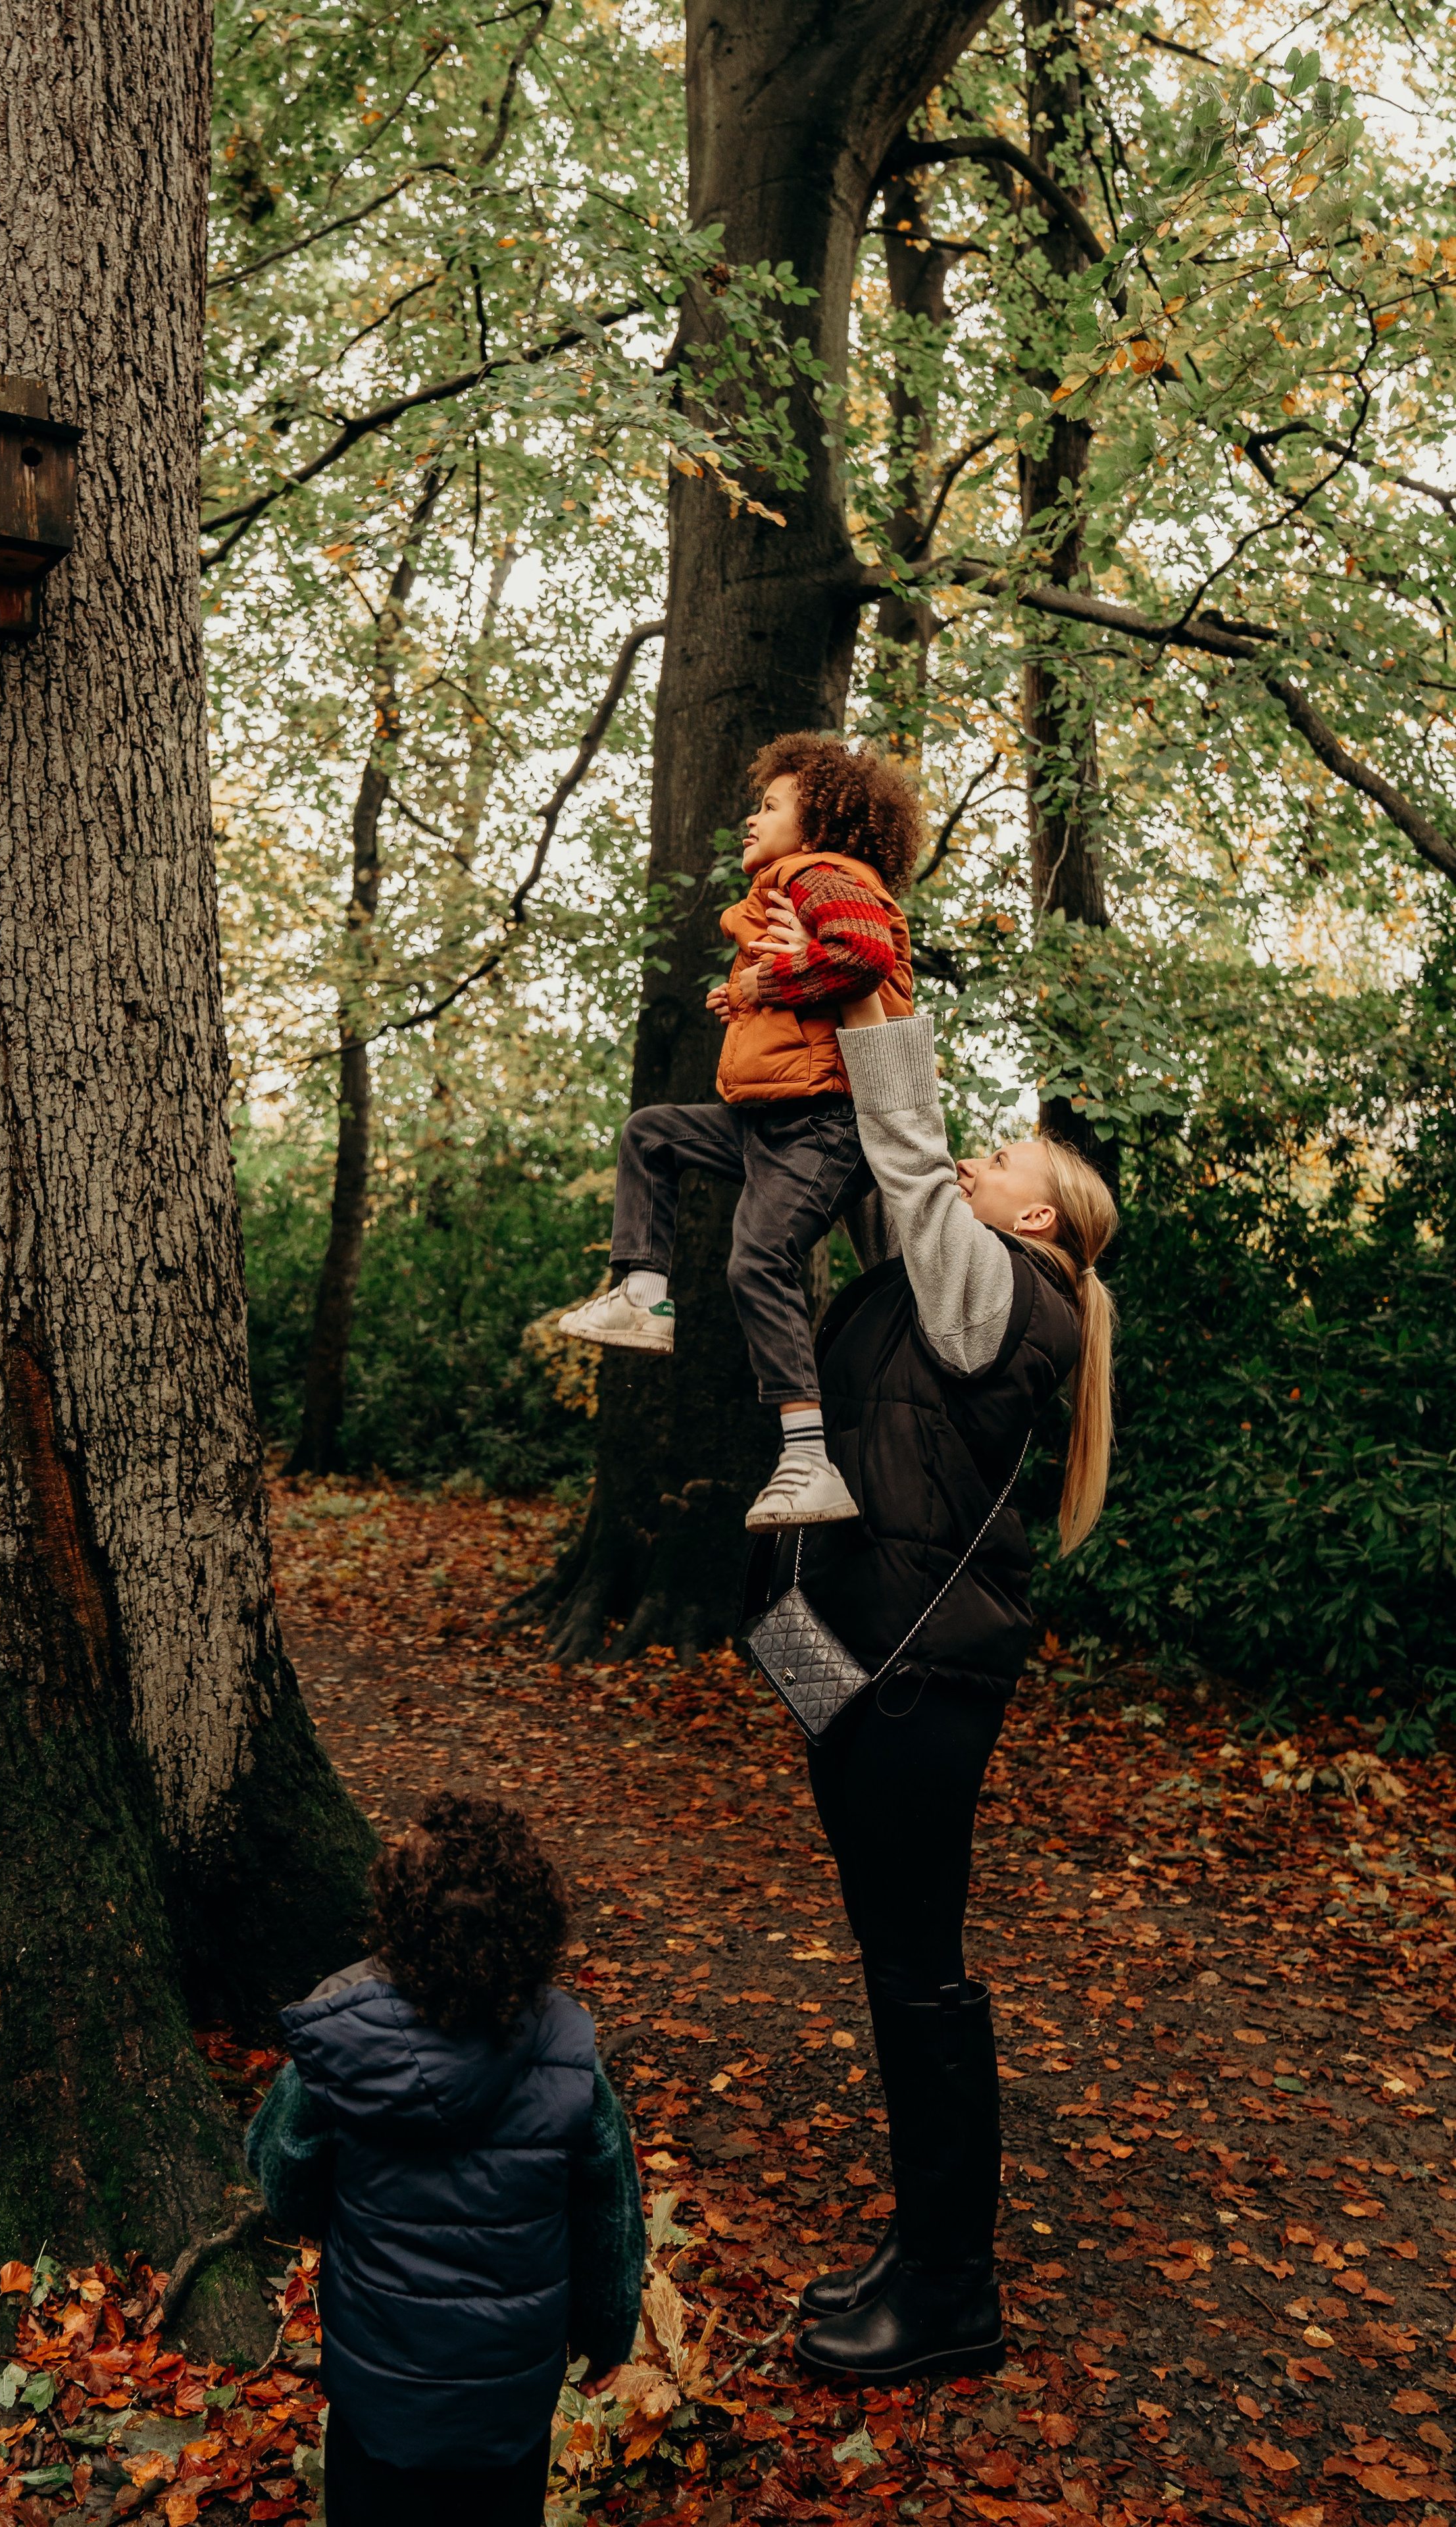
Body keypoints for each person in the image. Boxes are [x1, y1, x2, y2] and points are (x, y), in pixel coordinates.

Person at [747, 904, 1118, 2386]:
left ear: (1036, 1221)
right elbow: (869, 1182)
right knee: (896, 1959)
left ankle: (953, 2287)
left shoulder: (1007, 1299)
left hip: (915, 1679)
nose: (977, 1160)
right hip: (866, 1669)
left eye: (1002, 1160)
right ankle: (921, 2250)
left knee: (917, 1973)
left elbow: (907, 1157)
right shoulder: (939, 1291)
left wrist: (876, 990)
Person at [244, 1795, 644, 2527]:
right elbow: (608, 2218)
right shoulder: (568, 2054)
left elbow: (283, 2176)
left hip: (380, 2387)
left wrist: (335, 2220)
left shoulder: (340, 2043)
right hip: (508, 2399)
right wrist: (608, 2330)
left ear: (400, 1914)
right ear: (534, 1922)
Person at [559, 733, 919, 1531]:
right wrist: (751, 994)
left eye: (769, 805)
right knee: (652, 1134)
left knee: (758, 1258)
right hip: (770, 1118)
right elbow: (809, 995)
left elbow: (861, 956)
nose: (751, 820)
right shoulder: (788, 891)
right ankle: (643, 1297)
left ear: (815, 823)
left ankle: (808, 1460)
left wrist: (766, 980)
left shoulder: (823, 875)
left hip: (823, 1125)